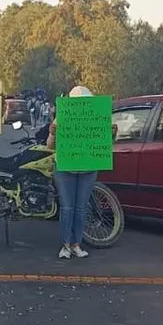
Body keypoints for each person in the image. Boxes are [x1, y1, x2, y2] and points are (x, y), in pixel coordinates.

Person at [49, 85, 98, 259]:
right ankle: (66, 245)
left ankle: (76, 244)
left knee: (80, 208)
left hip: (88, 168)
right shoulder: (63, 116)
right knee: (68, 208)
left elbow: (104, 144)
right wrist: (53, 134)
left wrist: (111, 134)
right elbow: (50, 146)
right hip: (65, 167)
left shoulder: (96, 117)